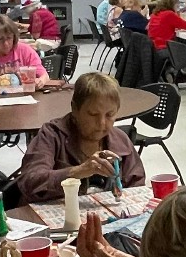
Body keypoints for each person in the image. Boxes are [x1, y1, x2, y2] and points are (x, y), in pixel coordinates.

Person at [17, 72, 145, 203]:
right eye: (93, 114)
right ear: (75, 109)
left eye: (110, 115)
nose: (102, 123)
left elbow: (137, 185)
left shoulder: (120, 141)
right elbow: (30, 181)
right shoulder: (52, 135)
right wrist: (77, 172)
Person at [0, 15, 59, 178]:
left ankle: (34, 170)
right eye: (0, 39)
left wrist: (40, 81)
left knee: (40, 129)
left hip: (24, 106)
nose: (6, 44)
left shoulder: (24, 50)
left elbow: (44, 75)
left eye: (9, 38)